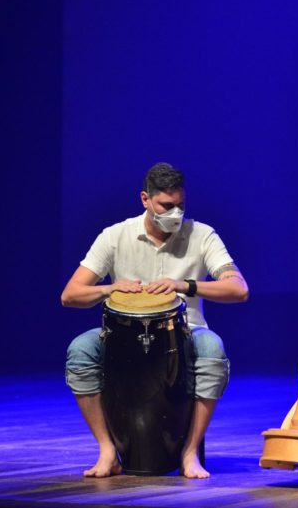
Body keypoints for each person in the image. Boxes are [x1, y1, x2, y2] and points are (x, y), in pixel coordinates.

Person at [61, 162, 249, 479]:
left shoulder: (202, 236)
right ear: (145, 199)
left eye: (180, 205)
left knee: (212, 351)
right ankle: (107, 450)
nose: (175, 213)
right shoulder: (115, 236)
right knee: (80, 350)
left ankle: (189, 453)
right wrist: (109, 288)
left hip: (185, 332)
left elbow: (239, 288)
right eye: (167, 205)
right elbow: (69, 294)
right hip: (122, 335)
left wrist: (185, 285)